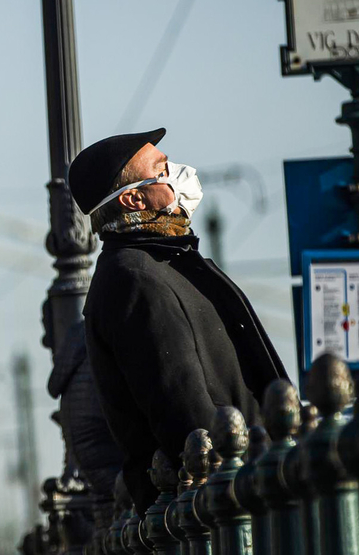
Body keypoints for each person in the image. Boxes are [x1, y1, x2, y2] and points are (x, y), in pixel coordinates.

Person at [68, 128, 290, 516]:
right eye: (162, 168)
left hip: (247, 483)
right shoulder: (134, 277)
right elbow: (182, 405)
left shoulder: (162, 262)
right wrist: (244, 477)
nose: (177, 173)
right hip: (230, 504)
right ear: (134, 197)